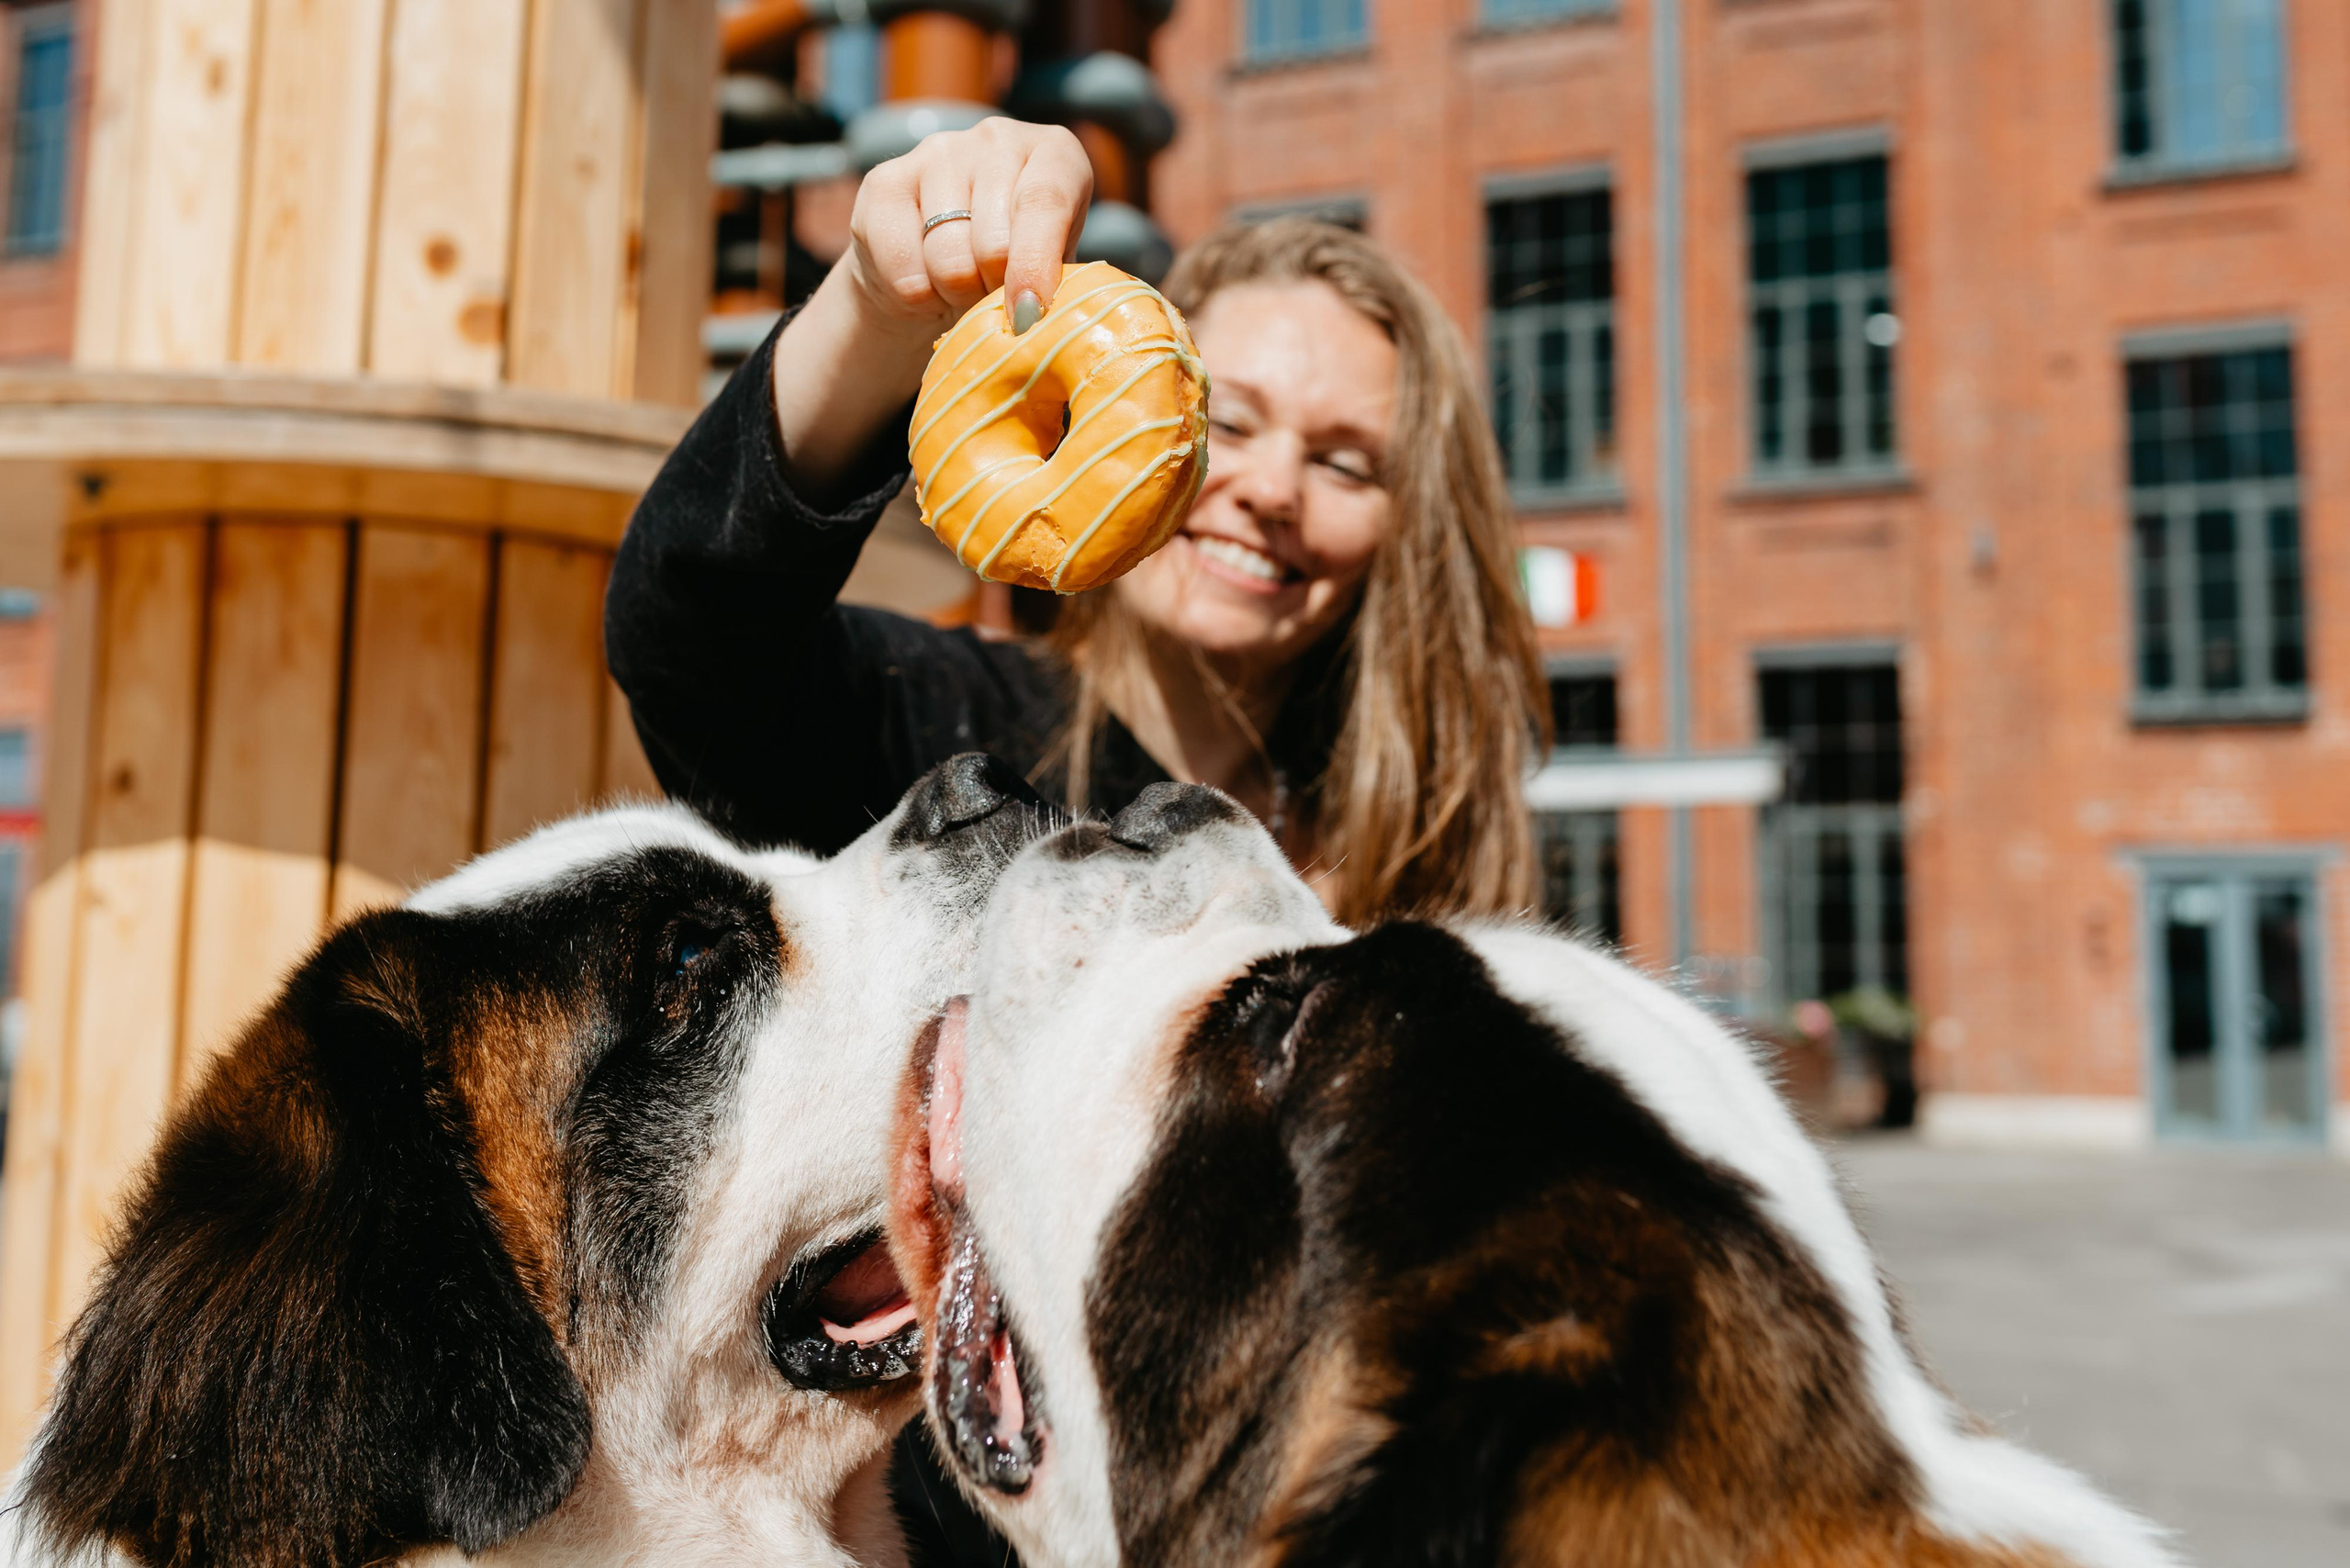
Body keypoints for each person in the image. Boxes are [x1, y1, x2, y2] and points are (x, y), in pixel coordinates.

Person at [604, 119, 1549, 1562]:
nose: (1270, 489)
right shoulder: (951, 752)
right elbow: (689, 633)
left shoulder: (1420, 868)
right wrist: (872, 303)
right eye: (1226, 421)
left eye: (1347, 459)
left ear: (1406, 532)